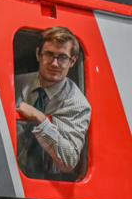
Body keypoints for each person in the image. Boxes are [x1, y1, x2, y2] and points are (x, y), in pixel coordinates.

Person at [16, 27, 91, 179]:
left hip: (47, 182)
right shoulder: (17, 83)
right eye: (49, 54)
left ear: (72, 61)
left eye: (62, 57)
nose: (55, 63)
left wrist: (41, 120)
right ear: (38, 55)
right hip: (11, 173)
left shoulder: (77, 105)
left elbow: (68, 161)